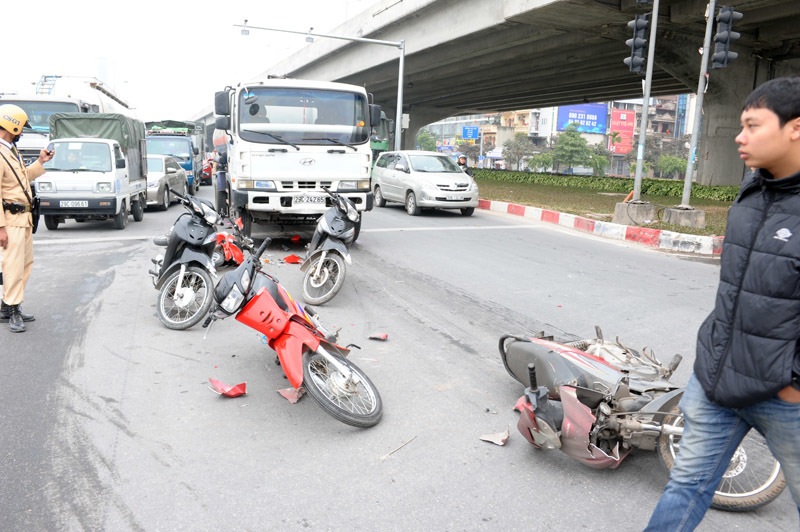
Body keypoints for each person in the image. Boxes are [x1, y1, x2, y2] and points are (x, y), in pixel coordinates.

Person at [645, 77, 800, 530]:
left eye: (752, 125)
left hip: (784, 396)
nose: (739, 136)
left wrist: (794, 383)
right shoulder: (752, 191)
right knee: (685, 488)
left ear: (795, 128)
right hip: (716, 383)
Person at [0, 104, 54, 332]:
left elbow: (21, 179)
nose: (22, 132)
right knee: (12, 266)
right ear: (12, 125)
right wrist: (0, 227)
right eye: (21, 128)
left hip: (23, 219)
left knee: (24, 264)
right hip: (10, 221)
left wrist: (40, 162)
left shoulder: (10, 150)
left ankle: (6, 306)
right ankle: (13, 310)